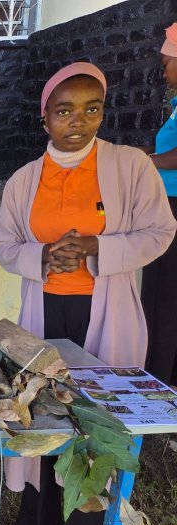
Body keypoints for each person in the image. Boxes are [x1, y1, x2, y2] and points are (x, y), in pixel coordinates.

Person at [0, 62, 176, 525]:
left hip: (106, 314)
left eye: (92, 109)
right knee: (41, 415)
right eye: (65, 111)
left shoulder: (130, 166)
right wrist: (42, 255)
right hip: (43, 313)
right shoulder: (25, 179)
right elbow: (4, 244)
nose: (79, 122)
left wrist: (97, 247)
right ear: (44, 117)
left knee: (93, 429)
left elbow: (159, 231)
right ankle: (37, 522)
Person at [141, 23, 177, 385]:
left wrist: (146, 160)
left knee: (163, 298)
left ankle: (158, 380)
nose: (163, 72)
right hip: (167, 204)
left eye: (166, 64)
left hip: (174, 209)